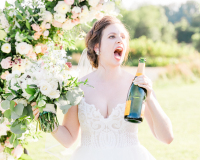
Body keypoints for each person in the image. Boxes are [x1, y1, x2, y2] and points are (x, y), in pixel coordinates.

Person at [33, 16, 173, 160]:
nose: (120, 40)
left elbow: (167, 138)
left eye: (123, 37)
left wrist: (150, 98)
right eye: (112, 36)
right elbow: (68, 139)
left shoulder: (138, 85)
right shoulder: (77, 87)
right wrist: (50, 123)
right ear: (97, 47)